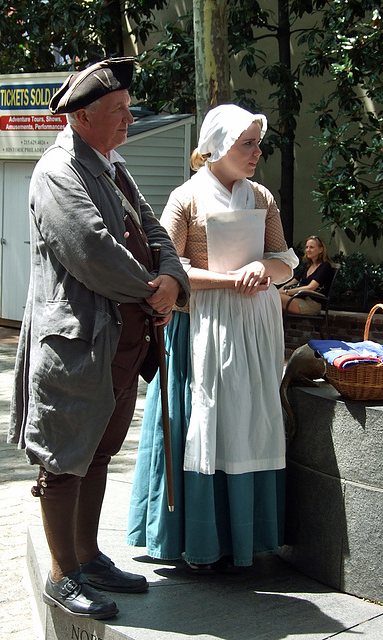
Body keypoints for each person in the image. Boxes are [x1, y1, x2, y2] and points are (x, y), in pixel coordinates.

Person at [7, 57, 189, 620]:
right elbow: (90, 249)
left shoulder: (111, 163)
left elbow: (153, 229)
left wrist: (172, 279)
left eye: (128, 109)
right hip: (78, 348)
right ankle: (64, 575)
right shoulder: (58, 170)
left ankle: (87, 556)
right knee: (65, 459)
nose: (128, 120)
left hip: (118, 344)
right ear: (83, 115)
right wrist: (152, 291)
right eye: (118, 111)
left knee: (100, 451)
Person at [127, 104, 298, 572]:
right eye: (247, 144)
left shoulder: (261, 197)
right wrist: (228, 281)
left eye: (257, 144)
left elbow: (285, 260)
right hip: (202, 325)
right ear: (219, 146)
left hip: (253, 329)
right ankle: (194, 537)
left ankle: (250, 533)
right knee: (199, 424)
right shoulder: (186, 199)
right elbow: (167, 265)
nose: (256, 153)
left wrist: (264, 267)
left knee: (247, 421)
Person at [279, 235, 335, 314]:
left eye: (311, 247)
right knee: (273, 296)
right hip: (299, 298)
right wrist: (278, 291)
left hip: (312, 303)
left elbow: (311, 287)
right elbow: (293, 281)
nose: (308, 250)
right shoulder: (308, 265)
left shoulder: (325, 266)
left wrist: (287, 292)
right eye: (307, 247)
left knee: (276, 298)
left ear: (321, 250)